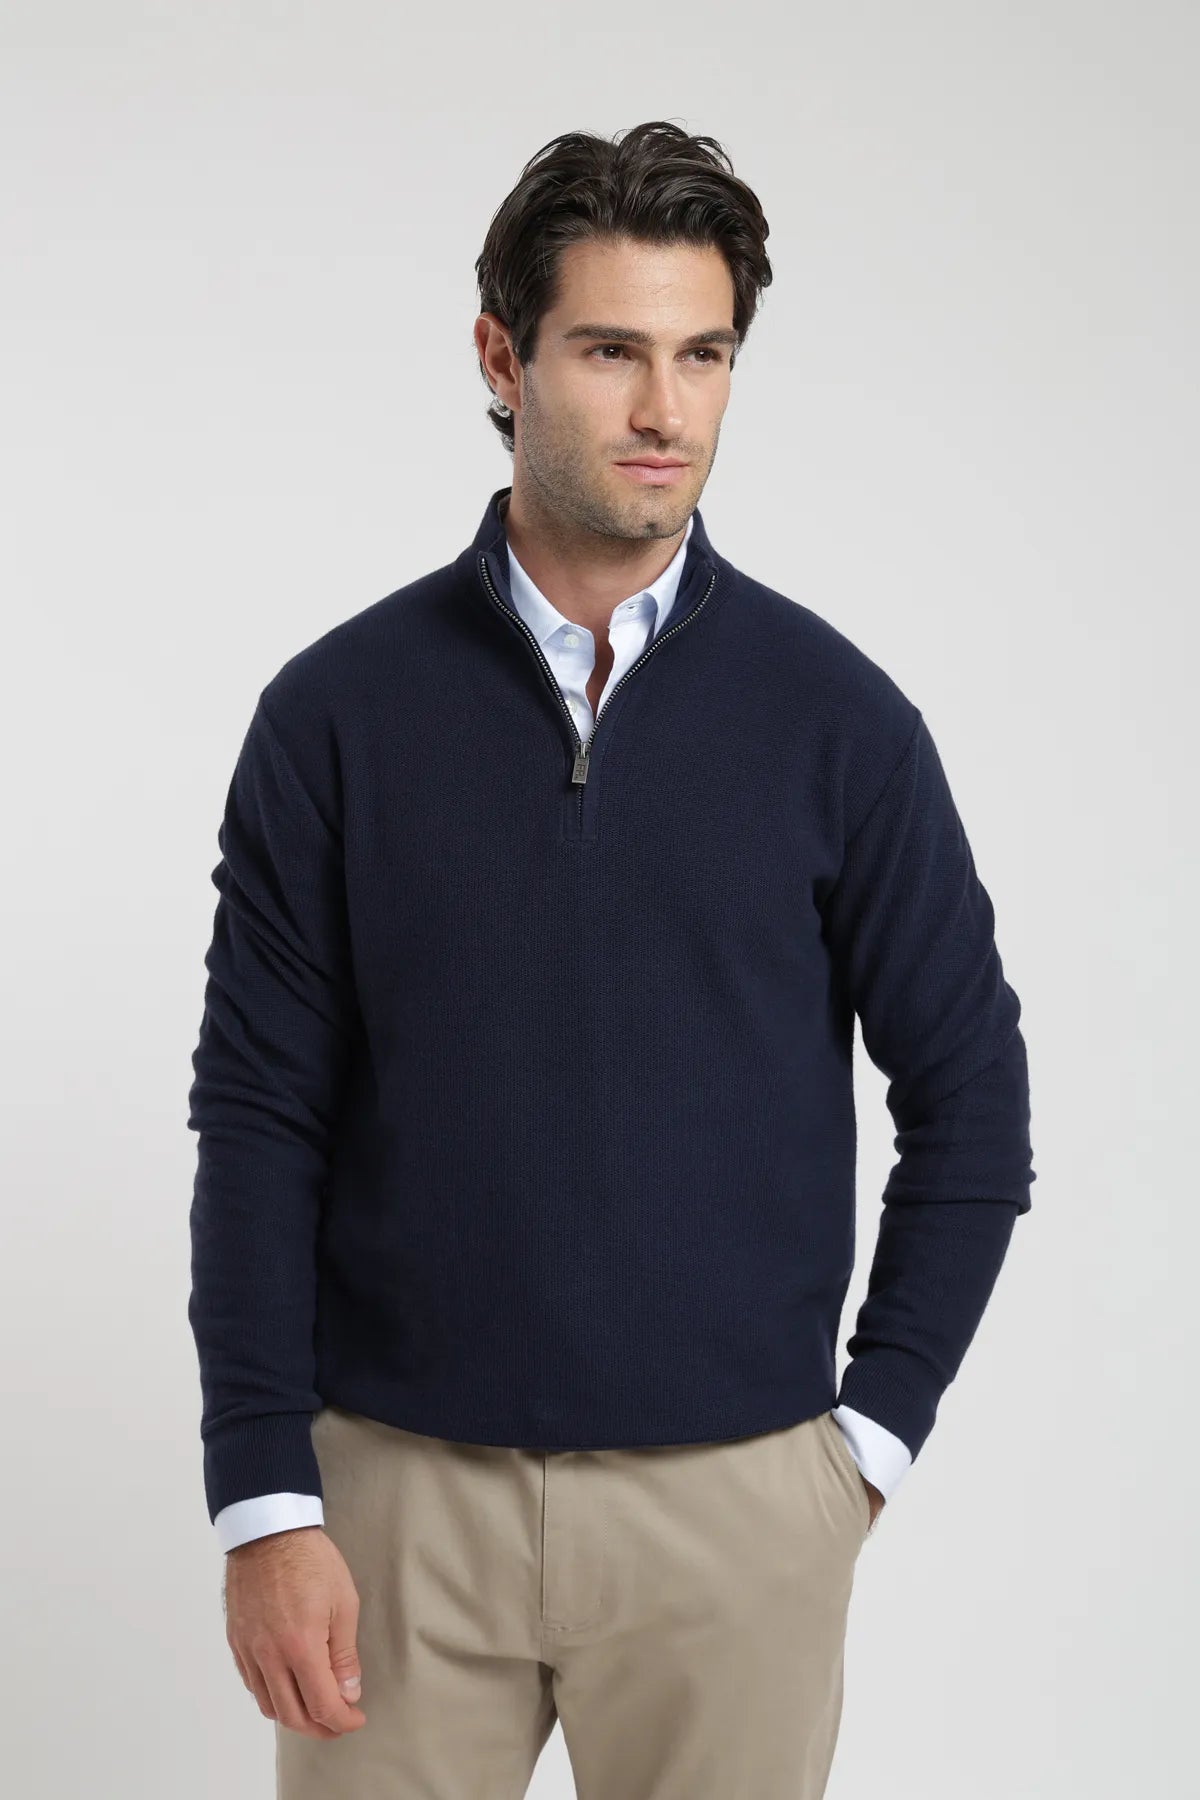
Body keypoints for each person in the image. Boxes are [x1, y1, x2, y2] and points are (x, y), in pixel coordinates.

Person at [187, 119, 1036, 1799]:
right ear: (502, 360)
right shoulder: (337, 717)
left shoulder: (839, 725)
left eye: (703, 354)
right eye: (610, 352)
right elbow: (260, 1116)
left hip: (735, 1512)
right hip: (397, 1507)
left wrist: (858, 1454)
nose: (666, 409)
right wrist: (266, 1497)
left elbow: (973, 1104)